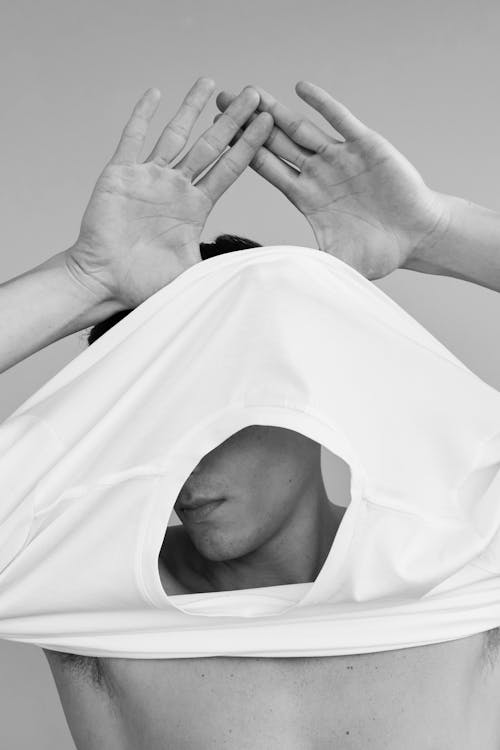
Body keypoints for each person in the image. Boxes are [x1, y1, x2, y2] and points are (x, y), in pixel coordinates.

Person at [2, 76, 500, 749]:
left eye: (207, 414)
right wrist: (82, 279)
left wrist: (437, 232)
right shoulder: (71, 563)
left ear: (308, 395)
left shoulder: (458, 539)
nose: (176, 465)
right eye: (149, 423)